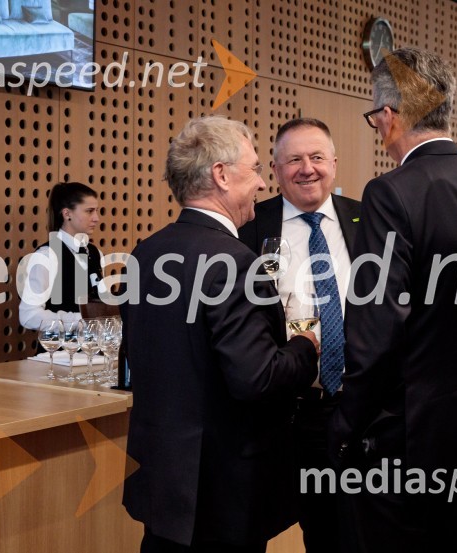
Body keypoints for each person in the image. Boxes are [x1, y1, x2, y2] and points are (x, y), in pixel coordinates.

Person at [329, 47, 457, 553]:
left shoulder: (390, 192)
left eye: (376, 117)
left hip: (404, 431)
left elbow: (377, 329)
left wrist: (344, 421)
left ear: (390, 116)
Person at [121, 116, 320, 553]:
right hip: (223, 490)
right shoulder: (236, 262)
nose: (263, 184)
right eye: (254, 169)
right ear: (221, 175)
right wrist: (305, 346)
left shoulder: (145, 253)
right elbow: (257, 379)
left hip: (164, 481)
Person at [239, 117, 360, 553]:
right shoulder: (250, 226)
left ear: (334, 163)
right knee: (258, 527)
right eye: (294, 160)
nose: (307, 168)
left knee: (345, 534)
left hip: (353, 407)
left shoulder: (365, 220)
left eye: (316, 157)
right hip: (282, 409)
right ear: (274, 169)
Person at [18, 182, 105, 331]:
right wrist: (81, 321)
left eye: (96, 210)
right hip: (57, 352)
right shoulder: (46, 256)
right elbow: (29, 316)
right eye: (89, 211)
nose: (96, 218)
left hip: (92, 351)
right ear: (67, 214)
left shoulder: (95, 252)